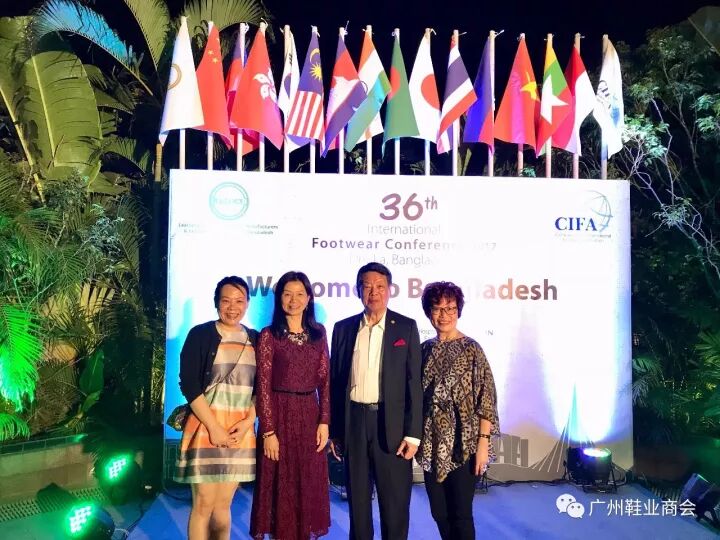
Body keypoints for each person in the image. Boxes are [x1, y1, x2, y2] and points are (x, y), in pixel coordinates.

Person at [329, 262, 422, 540]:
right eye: (367, 286)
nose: (374, 292)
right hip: (354, 423)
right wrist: (335, 430)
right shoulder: (343, 328)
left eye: (380, 286)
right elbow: (336, 381)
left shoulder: (405, 327)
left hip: (391, 426)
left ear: (389, 290)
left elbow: (413, 384)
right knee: (358, 505)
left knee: (394, 506)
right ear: (358, 290)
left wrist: (413, 434)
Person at [175, 276, 258, 540]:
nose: (233, 307)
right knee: (203, 504)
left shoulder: (256, 339)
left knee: (223, 506)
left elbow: (263, 390)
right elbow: (189, 383)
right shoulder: (200, 334)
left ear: (247, 303)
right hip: (205, 428)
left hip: (239, 433)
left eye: (239, 301)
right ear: (216, 303)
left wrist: (247, 423)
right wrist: (213, 427)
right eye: (226, 301)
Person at [250, 271, 331, 540]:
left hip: (309, 416)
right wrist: (268, 431)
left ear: (308, 299)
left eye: (299, 294)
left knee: (307, 484)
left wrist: (324, 421)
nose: (293, 300)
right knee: (279, 487)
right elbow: (263, 385)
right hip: (279, 416)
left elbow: (325, 381)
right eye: (287, 294)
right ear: (279, 298)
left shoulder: (319, 334)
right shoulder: (269, 335)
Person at [416, 281, 500, 540]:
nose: (444, 315)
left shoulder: (472, 348)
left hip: (465, 443)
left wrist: (483, 443)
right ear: (429, 312)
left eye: (450, 308)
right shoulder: (424, 349)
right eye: (438, 308)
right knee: (439, 512)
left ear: (458, 311)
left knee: (461, 514)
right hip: (431, 442)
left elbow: (486, 398)